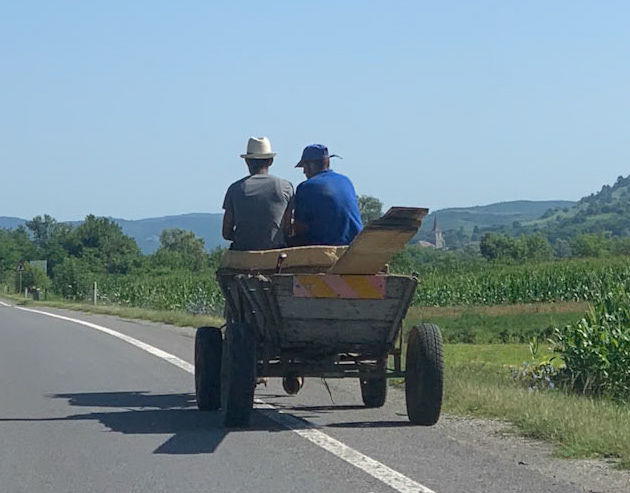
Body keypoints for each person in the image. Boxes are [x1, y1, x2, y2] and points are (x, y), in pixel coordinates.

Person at [222, 137, 294, 251]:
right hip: (275, 254)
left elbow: (226, 233)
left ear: (247, 161)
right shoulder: (284, 186)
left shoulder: (235, 189)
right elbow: (287, 229)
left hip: (242, 253)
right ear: (271, 161)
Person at [291, 144, 363, 246]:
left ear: (310, 165)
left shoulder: (306, 187)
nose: (304, 172)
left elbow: (300, 228)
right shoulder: (345, 180)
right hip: (356, 243)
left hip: (327, 246)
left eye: (304, 167)